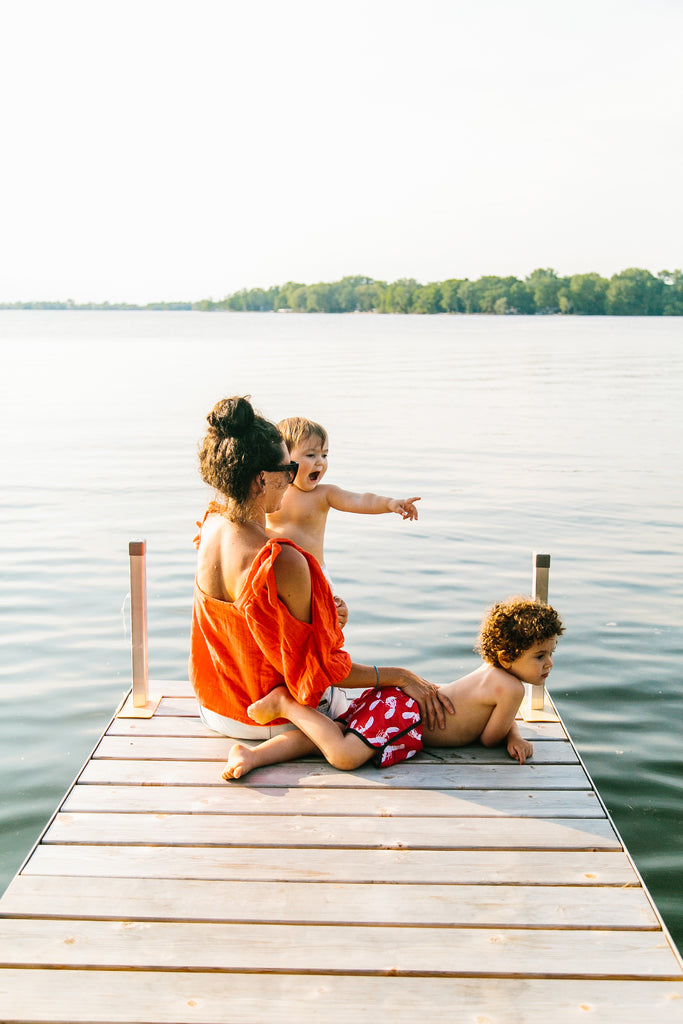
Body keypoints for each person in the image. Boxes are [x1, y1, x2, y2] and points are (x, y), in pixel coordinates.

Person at [189, 395, 453, 776]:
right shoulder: (281, 560)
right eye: (288, 466)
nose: (294, 474)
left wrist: (325, 618)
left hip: (214, 709)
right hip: (265, 724)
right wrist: (401, 675)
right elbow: (321, 670)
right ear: (262, 478)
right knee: (388, 714)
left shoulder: (211, 525)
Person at [239, 597, 564, 774]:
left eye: (550, 653)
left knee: (331, 735)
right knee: (345, 757)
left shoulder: (491, 671)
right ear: (507, 655)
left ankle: (253, 756)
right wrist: (513, 734)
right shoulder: (512, 689)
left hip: (397, 704)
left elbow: (492, 720)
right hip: (402, 719)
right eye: (539, 656)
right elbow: (490, 736)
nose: (548, 663)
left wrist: (514, 732)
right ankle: (286, 704)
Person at [266, 416, 420, 624]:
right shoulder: (272, 491)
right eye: (311, 455)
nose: (320, 461)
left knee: (327, 625)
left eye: (325, 455)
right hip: (280, 574)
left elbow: (359, 499)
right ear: (285, 458)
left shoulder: (324, 494)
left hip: (314, 577)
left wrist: (390, 504)